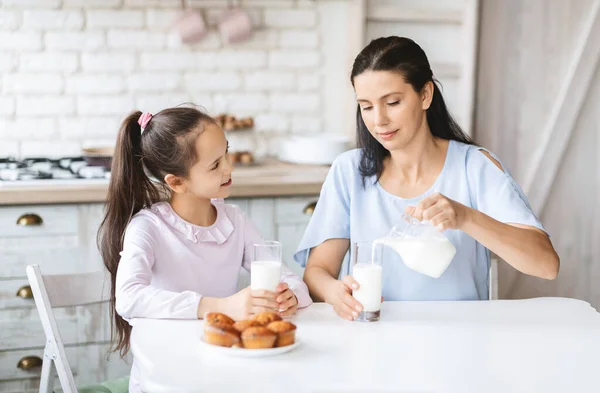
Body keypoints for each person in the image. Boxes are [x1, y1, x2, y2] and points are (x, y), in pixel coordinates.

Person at [294, 36, 559, 321]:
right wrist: (335, 293)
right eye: (367, 106)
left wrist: (466, 218)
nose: (378, 120)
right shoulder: (348, 172)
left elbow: (546, 265)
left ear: (425, 95)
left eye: (392, 102)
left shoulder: (475, 167)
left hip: (461, 341)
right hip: (371, 339)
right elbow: (317, 272)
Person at [98, 107, 311, 393]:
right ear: (177, 182)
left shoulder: (235, 220)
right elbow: (129, 298)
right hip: (166, 376)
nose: (229, 168)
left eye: (227, 153)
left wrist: (290, 296)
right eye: (215, 165)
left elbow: (294, 282)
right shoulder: (148, 227)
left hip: (224, 371)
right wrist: (220, 306)